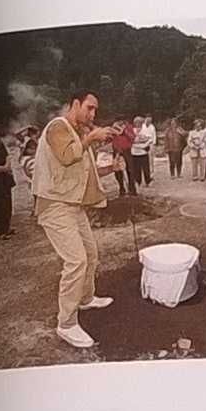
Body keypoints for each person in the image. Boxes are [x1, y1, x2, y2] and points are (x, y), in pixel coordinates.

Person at [34, 90, 116, 350]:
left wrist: (111, 169)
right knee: (76, 260)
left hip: (72, 207)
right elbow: (68, 156)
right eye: (89, 108)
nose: (93, 114)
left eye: (95, 111)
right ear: (75, 104)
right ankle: (66, 323)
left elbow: (86, 173)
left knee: (90, 254)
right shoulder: (58, 127)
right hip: (55, 206)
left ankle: (86, 297)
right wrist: (91, 137)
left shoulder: (78, 135)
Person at [130, 114, 157, 190]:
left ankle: (148, 180)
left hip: (144, 152)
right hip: (135, 152)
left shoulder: (145, 129)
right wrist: (139, 144)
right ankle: (138, 181)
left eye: (140, 123)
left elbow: (150, 139)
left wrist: (144, 144)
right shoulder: (132, 131)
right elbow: (131, 141)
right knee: (136, 168)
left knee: (146, 168)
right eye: (137, 122)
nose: (138, 124)